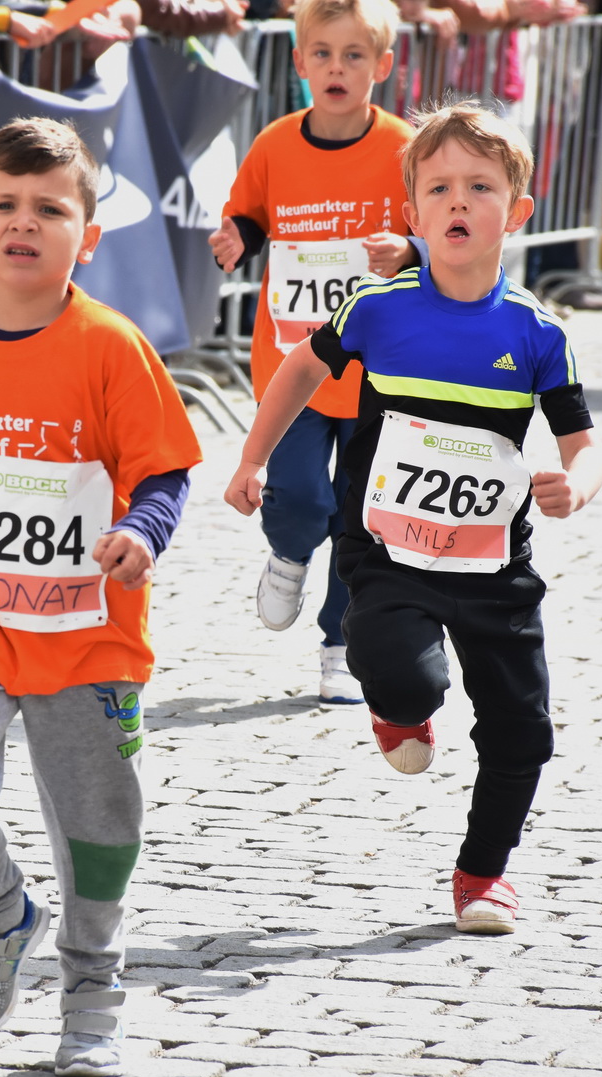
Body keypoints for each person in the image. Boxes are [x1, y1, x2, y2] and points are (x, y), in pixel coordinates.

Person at [225, 102, 602, 936]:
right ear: (412, 213)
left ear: (517, 212)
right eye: (439, 189)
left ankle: (483, 876)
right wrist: (253, 458)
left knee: (523, 728)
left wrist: (575, 484)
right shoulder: (378, 308)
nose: (458, 203)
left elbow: (585, 443)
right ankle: (400, 709)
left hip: (493, 561)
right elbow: (297, 368)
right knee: (400, 668)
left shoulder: (537, 334)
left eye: (480, 186)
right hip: (389, 545)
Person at [0, 118, 201, 1077]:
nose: (25, 224)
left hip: (85, 627)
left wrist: (141, 533)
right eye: (4, 206)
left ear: (86, 236)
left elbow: (165, 469)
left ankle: (93, 977)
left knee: (99, 818)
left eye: (50, 209)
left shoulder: (111, 345)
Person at [206, 0, 417, 706]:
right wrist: (237, 235)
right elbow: (251, 212)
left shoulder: (403, 150)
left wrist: (410, 250)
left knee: (362, 515)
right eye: (323, 53)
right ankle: (290, 552)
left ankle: (341, 641)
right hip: (293, 364)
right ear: (299, 65)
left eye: (354, 55)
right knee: (299, 494)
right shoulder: (274, 144)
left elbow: (439, 227)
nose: (337, 67)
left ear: (382, 66)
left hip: (377, 370)